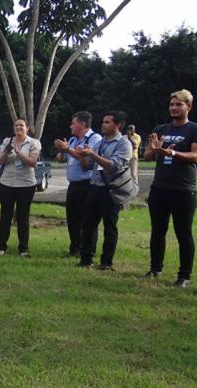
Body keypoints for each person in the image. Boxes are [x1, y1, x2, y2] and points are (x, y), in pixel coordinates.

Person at [144, 89, 197, 288]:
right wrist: (155, 149)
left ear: (188, 107)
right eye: (172, 104)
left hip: (183, 190)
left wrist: (171, 151)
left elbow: (196, 155)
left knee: (184, 233)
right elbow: (147, 156)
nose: (174, 108)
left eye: (178, 104)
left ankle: (184, 276)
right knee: (157, 231)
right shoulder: (161, 128)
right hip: (159, 188)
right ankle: (155, 269)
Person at [77, 111, 133, 270]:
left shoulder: (124, 143)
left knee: (110, 227)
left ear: (117, 125)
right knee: (88, 225)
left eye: (107, 122)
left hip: (110, 190)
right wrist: (81, 155)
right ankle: (85, 259)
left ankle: (106, 262)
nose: (103, 124)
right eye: (103, 121)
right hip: (94, 188)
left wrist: (92, 155)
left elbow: (114, 165)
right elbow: (87, 165)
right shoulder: (100, 143)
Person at [54, 111, 102, 257]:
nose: (70, 126)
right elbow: (61, 159)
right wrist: (62, 151)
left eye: (73, 123)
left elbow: (86, 160)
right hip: (73, 185)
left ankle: (88, 250)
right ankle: (75, 248)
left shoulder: (95, 139)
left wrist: (67, 149)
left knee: (87, 220)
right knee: (73, 218)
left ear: (82, 124)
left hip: (87, 184)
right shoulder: (74, 140)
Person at [0, 118, 41, 257]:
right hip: (7, 183)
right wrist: (6, 152)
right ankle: (2, 246)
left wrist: (18, 152)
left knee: (23, 216)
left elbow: (32, 162)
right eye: (16, 125)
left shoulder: (34, 142)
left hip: (26, 184)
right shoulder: (7, 141)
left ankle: (23, 249)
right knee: (5, 215)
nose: (18, 127)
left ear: (27, 128)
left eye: (21, 125)